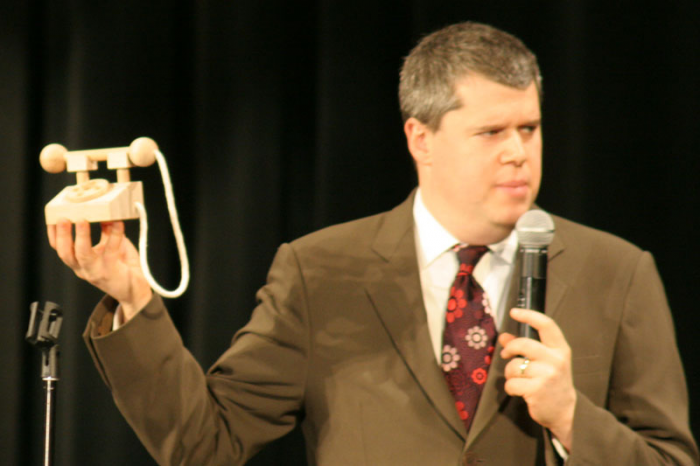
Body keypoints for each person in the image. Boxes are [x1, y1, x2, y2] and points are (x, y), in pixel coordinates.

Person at [48, 22, 697, 465]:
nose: (518, 154)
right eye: (491, 131)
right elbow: (203, 445)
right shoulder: (319, 271)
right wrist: (131, 293)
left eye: (529, 128)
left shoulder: (619, 273)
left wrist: (570, 415)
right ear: (420, 139)